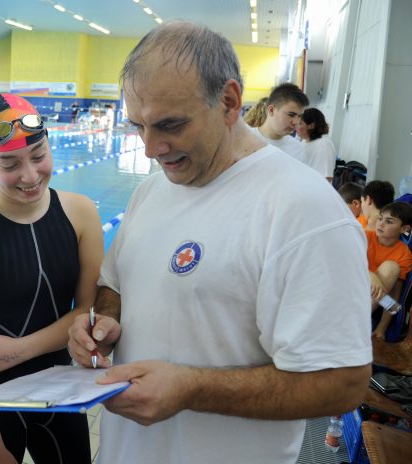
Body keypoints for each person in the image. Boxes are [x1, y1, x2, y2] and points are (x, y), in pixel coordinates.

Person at [67, 20, 371, 464]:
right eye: (138, 126)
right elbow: (115, 284)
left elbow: (343, 381)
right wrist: (103, 325)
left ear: (229, 101)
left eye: (169, 125)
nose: (150, 148)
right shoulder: (150, 192)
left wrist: (192, 389)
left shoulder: (303, 209)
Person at [0, 92, 104, 464]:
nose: (30, 176)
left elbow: (89, 312)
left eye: (39, 156)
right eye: (9, 163)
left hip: (57, 390)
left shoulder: (82, 214)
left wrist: (16, 350)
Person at [366, 201, 412, 339]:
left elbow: (395, 294)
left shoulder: (404, 254)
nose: (380, 224)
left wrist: (381, 328)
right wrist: (371, 276)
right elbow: (348, 267)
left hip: (372, 302)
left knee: (391, 267)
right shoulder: (365, 237)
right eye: (380, 218)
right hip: (350, 288)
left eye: (389, 221)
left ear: (404, 229)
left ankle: (355, 317)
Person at [250, 83, 309, 162]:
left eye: (299, 116)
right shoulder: (244, 139)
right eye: (291, 115)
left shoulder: (297, 149)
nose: (296, 122)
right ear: (271, 110)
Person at [297, 108, 337, 181]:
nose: (296, 127)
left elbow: (326, 177)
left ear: (311, 126)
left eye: (300, 123)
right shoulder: (304, 141)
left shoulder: (323, 144)